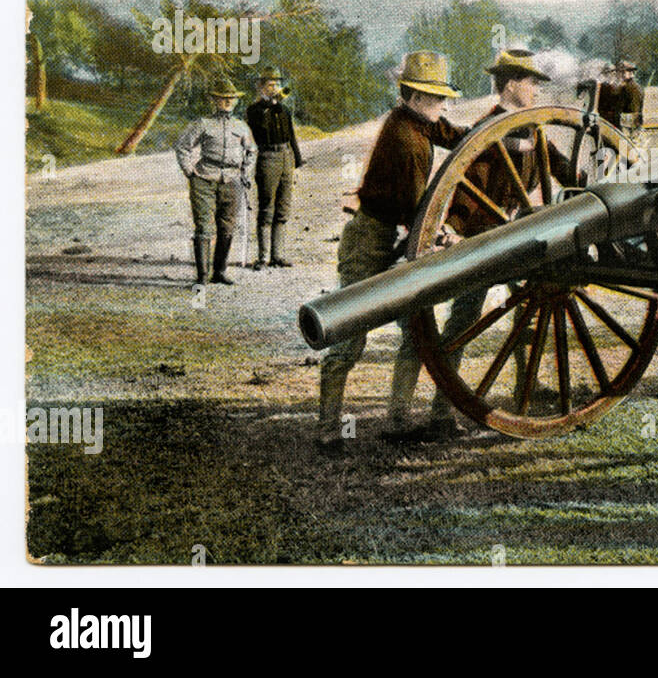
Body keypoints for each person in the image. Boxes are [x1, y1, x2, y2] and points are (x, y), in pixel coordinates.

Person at [316, 51, 470, 452]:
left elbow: (450, 134)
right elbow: (415, 207)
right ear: (416, 98)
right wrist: (439, 236)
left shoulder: (413, 121)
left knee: (416, 331)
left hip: (391, 236)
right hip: (369, 240)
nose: (444, 106)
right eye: (438, 99)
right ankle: (329, 429)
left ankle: (398, 420)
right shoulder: (406, 140)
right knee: (350, 336)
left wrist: (492, 131)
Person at [440, 49, 576, 407]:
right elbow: (469, 185)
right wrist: (453, 227)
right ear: (512, 83)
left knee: (533, 307)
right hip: (483, 232)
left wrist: (587, 184)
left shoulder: (530, 124)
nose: (534, 89)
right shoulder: (488, 128)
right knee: (464, 320)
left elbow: (556, 164)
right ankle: (442, 408)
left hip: (516, 227)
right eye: (531, 82)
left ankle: (525, 387)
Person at [174, 75, 257, 286]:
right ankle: (201, 277)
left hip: (232, 180)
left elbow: (252, 151)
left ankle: (219, 272)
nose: (227, 101)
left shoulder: (242, 126)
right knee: (203, 226)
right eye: (222, 98)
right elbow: (183, 146)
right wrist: (190, 172)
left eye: (231, 98)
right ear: (215, 100)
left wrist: (245, 174)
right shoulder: (203, 124)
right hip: (205, 179)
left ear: (236, 101)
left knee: (227, 227)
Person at [245, 66, 303, 269]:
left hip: (285, 155)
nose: (275, 88)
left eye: (277, 84)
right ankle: (262, 257)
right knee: (266, 207)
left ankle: (277, 255)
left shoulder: (284, 109)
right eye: (271, 84)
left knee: (283, 208)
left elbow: (291, 135)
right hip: (267, 156)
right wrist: (270, 105)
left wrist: (297, 160)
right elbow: (259, 127)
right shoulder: (254, 110)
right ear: (261, 87)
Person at [596, 59, 644, 132]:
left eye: (623, 72)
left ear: (631, 73)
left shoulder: (632, 88)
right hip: (622, 127)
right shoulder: (622, 87)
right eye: (618, 72)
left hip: (628, 130)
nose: (618, 75)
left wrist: (610, 117)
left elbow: (631, 117)